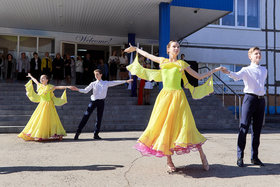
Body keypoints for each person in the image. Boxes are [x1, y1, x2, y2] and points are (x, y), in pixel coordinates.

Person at [125, 41, 222, 172]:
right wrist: (136, 48)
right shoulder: (162, 61)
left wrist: (215, 70)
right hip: (165, 98)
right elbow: (148, 55)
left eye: (178, 47)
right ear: (168, 49)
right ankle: (169, 161)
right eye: (174, 47)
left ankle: (202, 156)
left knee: (187, 126)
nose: (176, 48)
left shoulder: (182, 64)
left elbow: (198, 76)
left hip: (179, 97)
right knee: (166, 127)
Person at [221, 47, 267, 167]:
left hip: (261, 100)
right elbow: (236, 76)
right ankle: (240, 157)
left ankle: (255, 157)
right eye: (255, 54)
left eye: (259, 54)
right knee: (244, 127)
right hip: (249, 99)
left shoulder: (264, 70)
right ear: (250, 56)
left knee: (257, 130)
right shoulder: (246, 70)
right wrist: (228, 72)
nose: (258, 55)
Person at [71, 69, 133, 140]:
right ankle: (77, 133)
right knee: (86, 116)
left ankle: (96, 134)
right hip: (93, 101)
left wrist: (125, 81)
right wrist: (77, 89)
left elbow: (114, 82)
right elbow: (85, 90)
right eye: (95, 74)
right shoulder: (93, 83)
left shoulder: (105, 83)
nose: (96, 76)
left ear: (101, 75)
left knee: (99, 118)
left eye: (97, 74)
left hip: (101, 102)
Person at [18, 73, 74, 141]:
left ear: (47, 80)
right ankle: (38, 134)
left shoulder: (50, 86)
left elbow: (58, 87)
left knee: (51, 119)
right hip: (42, 105)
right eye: (41, 78)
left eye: (43, 78)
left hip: (49, 105)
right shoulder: (40, 86)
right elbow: (35, 80)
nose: (41, 79)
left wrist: (67, 87)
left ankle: (55, 134)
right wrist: (30, 76)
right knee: (39, 119)